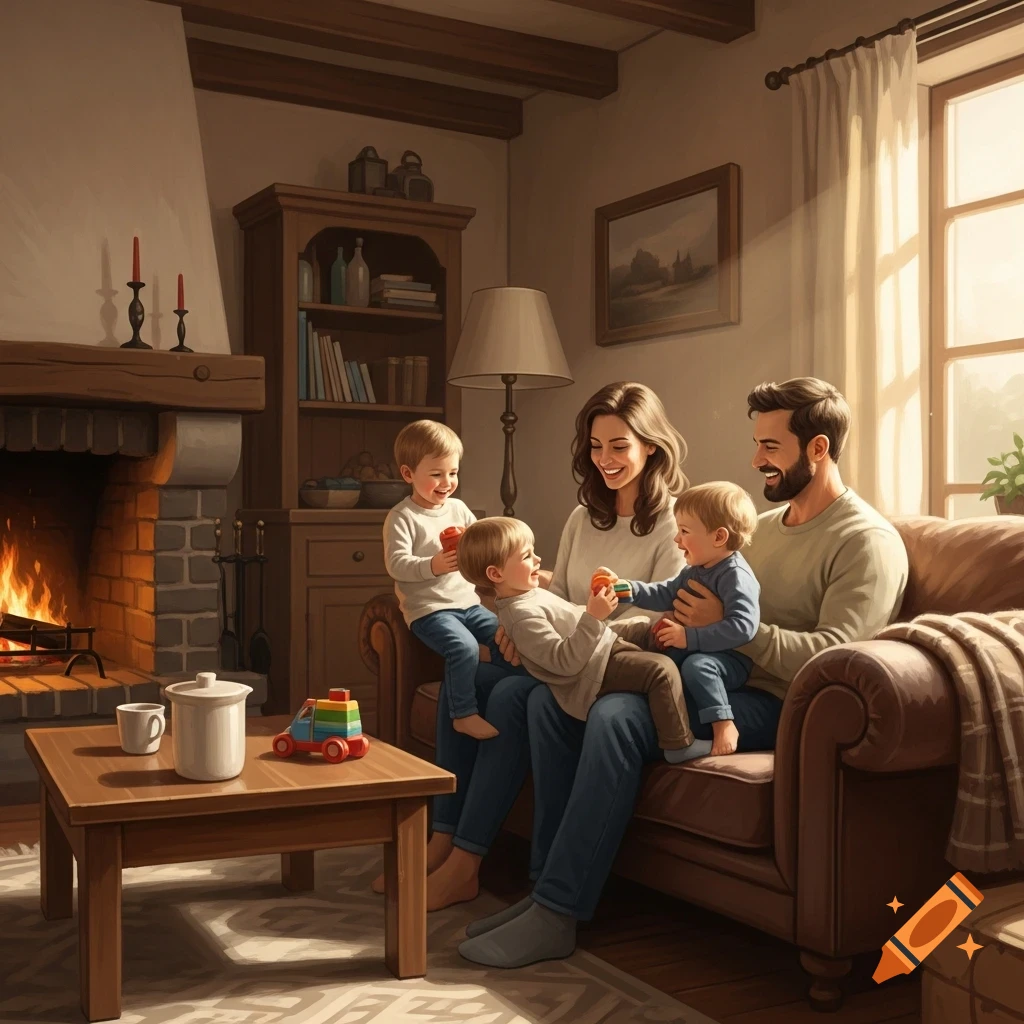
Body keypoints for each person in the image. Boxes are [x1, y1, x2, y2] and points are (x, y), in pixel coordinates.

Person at [457, 376, 908, 970]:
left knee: (617, 715)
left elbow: (839, 658)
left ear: (817, 449)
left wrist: (738, 631)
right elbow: (678, 596)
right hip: (711, 674)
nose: (756, 459)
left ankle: (558, 911)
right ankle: (544, 889)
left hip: (780, 703)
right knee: (550, 701)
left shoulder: (865, 542)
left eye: (770, 447)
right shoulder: (759, 528)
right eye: (757, 444)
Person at [422, 381, 689, 912]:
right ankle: (443, 836)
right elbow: (557, 597)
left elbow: (661, 613)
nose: (605, 459)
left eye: (619, 446)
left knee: (513, 697)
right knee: (467, 680)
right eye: (596, 446)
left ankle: (469, 865)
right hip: (564, 644)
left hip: (608, 655)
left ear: (651, 446)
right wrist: (516, 627)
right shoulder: (581, 516)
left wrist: (563, 628)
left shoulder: (674, 522)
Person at [371, 420, 528, 899]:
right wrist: (433, 565)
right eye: (436, 474)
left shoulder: (459, 509)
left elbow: (478, 550)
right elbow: (398, 565)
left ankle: (442, 842)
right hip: (428, 610)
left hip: (467, 602)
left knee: (504, 636)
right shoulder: (402, 517)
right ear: (408, 474)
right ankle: (462, 713)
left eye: (453, 473)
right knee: (461, 649)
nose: (447, 483)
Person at [458, 516, 710, 763]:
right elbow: (564, 662)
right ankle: (678, 744)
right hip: (592, 670)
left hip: (600, 642)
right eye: (526, 556)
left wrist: (595, 603)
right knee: (661, 669)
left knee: (648, 627)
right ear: (496, 573)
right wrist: (593, 616)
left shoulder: (529, 594)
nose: (538, 559)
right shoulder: (521, 616)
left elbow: (570, 618)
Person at [615, 481, 761, 756]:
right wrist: (628, 590)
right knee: (660, 657)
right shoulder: (695, 569)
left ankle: (724, 724)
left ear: (718, 537)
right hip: (701, 648)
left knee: (697, 666)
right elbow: (665, 593)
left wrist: (688, 637)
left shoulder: (735, 575)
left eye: (684, 531)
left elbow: (744, 627)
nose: (676, 539)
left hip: (730, 659)